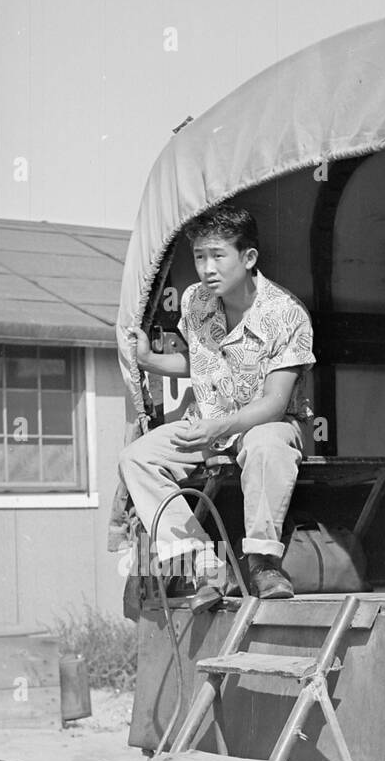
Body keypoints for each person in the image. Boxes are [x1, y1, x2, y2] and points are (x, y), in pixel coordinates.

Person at [120, 205, 315, 609]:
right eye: (198, 257)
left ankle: (263, 563)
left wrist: (218, 427)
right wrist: (149, 361)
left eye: (218, 255)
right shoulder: (194, 300)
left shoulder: (287, 314)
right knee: (137, 457)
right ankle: (205, 565)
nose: (207, 268)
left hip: (267, 423)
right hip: (208, 422)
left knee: (266, 444)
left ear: (248, 258)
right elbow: (201, 361)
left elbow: (275, 403)